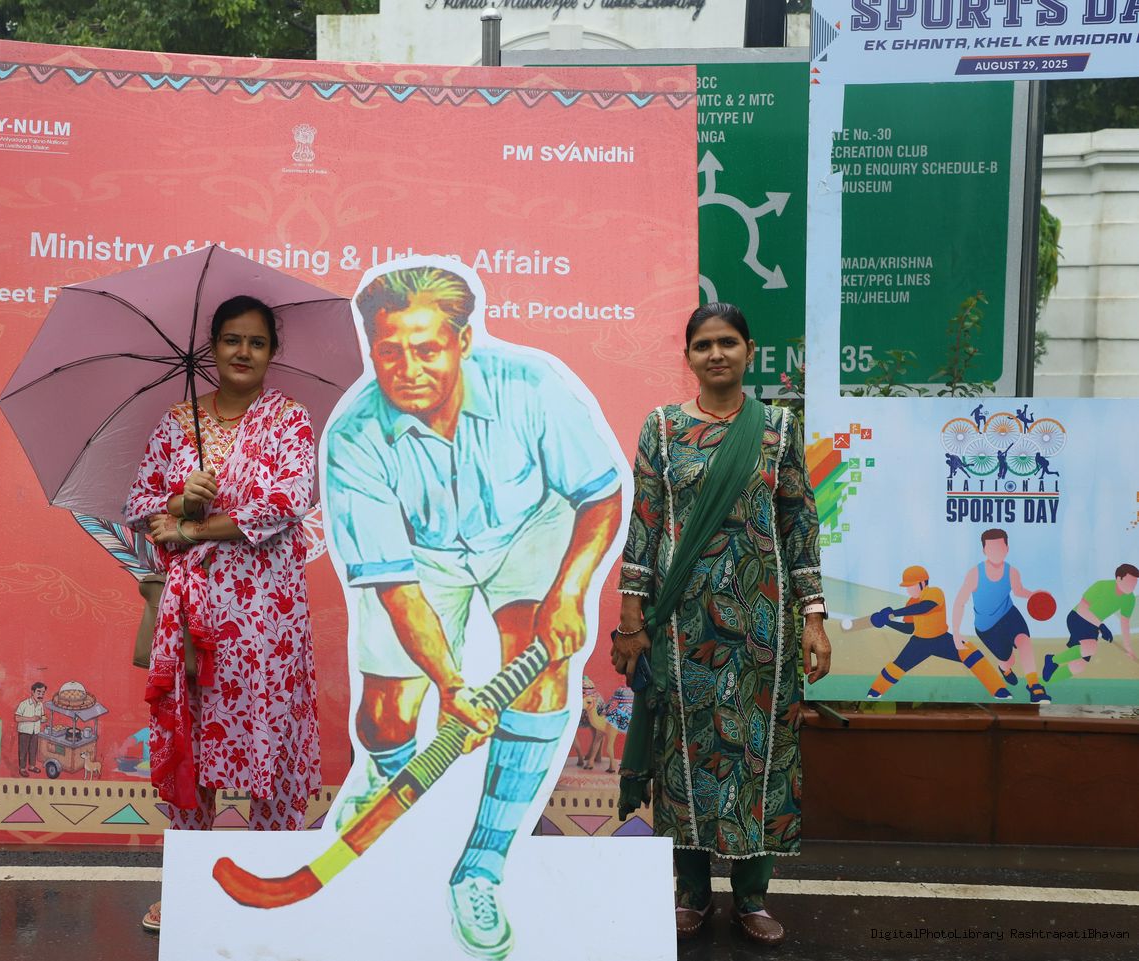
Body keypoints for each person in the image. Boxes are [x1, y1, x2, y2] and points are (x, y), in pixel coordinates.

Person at [324, 262, 624, 960]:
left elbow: (599, 497)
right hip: (421, 555)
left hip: (530, 529)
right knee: (387, 713)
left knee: (541, 670)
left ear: (462, 340)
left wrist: (569, 590)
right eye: (389, 351)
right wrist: (451, 685)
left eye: (426, 348)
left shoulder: (533, 387)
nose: (408, 369)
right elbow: (398, 589)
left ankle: (481, 867)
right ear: (371, 346)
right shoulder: (353, 438)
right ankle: (392, 783)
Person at [610, 302, 831, 947]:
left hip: (765, 623)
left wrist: (813, 617)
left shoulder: (778, 430)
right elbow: (646, 520)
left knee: (761, 751)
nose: (716, 354)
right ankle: (693, 893)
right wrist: (632, 612)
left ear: (748, 351)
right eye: (703, 344)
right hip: (683, 626)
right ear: (688, 357)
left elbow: (799, 524)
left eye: (728, 342)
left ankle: (753, 897)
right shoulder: (663, 428)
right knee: (686, 753)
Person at [125, 295, 319, 933]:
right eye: (232, 339)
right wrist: (180, 500)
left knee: (271, 739)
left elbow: (287, 501)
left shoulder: (289, 419)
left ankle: (272, 881)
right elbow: (142, 508)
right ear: (212, 348)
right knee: (193, 739)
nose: (243, 352)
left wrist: (193, 527)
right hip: (195, 614)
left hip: (268, 616)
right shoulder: (176, 423)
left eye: (257, 342)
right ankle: (188, 887)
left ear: (272, 353)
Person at [866, 565, 1012, 701]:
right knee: (897, 666)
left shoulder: (934, 592)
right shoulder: (911, 602)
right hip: (919, 643)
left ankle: (999, 690)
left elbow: (924, 607)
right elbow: (909, 629)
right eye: (907, 587)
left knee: (971, 652)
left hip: (941, 640)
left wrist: (893, 613)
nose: (909, 590)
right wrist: (887, 622)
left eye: (911, 585)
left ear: (923, 583)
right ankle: (874, 692)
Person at [951, 529, 1049, 703]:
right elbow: (959, 602)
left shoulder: (1012, 572)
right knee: (1008, 660)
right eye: (991, 549)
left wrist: (1034, 594)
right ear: (984, 551)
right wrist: (956, 633)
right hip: (987, 627)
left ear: (1007, 549)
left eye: (1000, 548)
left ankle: (1034, 686)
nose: (996, 552)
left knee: (1024, 641)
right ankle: (1005, 668)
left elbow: (1018, 591)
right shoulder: (975, 574)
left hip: (1008, 614)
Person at [1043, 564, 1138, 683]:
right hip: (1078, 618)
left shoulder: (1129, 599)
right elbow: (1082, 609)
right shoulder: (1101, 586)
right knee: (1090, 648)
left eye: (1135, 583)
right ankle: (1052, 660)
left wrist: (1128, 647)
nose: (1132, 586)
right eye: (1130, 582)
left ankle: (1042, 683)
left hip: (1094, 626)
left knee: (1079, 666)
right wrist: (1101, 626)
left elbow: (1125, 623)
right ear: (1119, 578)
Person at [13, 681, 48, 776]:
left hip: (35, 731)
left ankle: (32, 766)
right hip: (24, 731)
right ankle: (22, 768)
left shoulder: (40, 705)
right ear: (32, 692)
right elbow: (17, 718)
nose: (41, 695)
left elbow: (42, 716)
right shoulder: (24, 704)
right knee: (23, 751)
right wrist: (31, 719)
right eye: (39, 692)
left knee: (33, 750)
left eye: (43, 693)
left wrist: (44, 719)